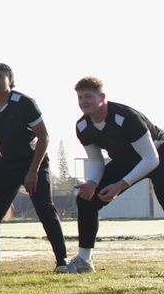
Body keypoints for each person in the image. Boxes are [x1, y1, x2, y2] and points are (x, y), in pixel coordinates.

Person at [0, 63, 67, 272]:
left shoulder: (24, 103)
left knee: (44, 208)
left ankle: (62, 260)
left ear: (10, 81)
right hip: (7, 164)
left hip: (33, 161)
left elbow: (43, 136)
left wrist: (33, 171)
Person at [68, 76, 164, 273]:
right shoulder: (82, 126)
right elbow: (96, 160)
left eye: (89, 96)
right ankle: (84, 261)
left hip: (158, 155)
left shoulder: (126, 118)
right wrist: (93, 182)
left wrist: (119, 186)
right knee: (87, 199)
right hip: (126, 160)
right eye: (80, 97)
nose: (84, 101)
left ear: (102, 97)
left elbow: (151, 159)